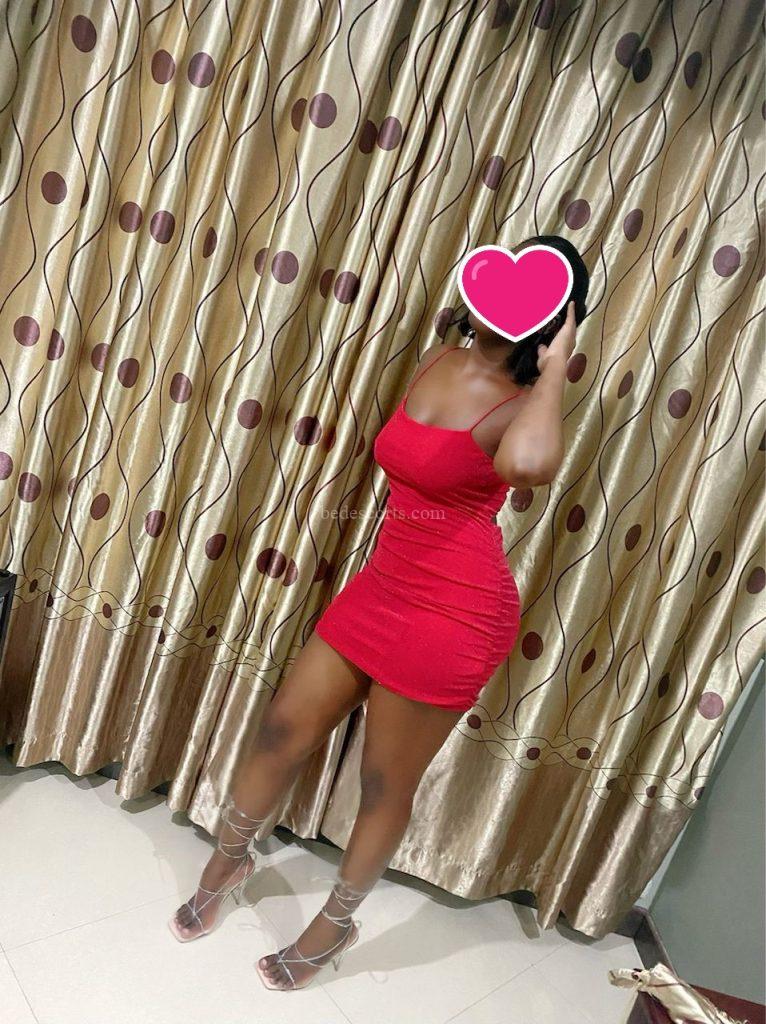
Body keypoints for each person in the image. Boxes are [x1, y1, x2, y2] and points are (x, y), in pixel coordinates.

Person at [168, 234, 590, 991]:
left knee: (382, 785)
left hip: (454, 613)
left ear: (553, 320)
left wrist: (557, 369)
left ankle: (334, 924)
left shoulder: (524, 407)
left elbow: (528, 468)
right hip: (384, 582)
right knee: (281, 728)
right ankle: (228, 861)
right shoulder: (436, 359)